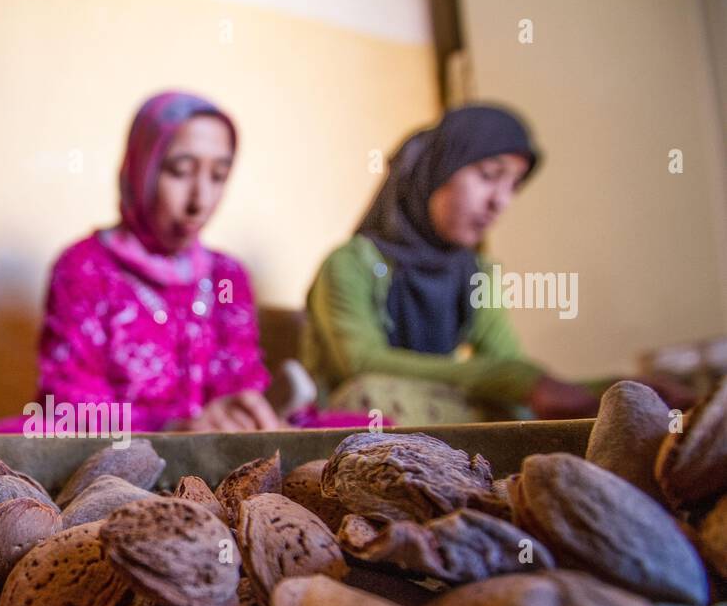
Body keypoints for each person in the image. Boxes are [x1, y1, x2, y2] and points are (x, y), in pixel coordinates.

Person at [302, 104, 693, 424]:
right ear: (435, 171)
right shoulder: (350, 263)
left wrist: (617, 390)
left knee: (514, 406)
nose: (501, 202)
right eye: (490, 176)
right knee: (373, 395)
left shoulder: (479, 273)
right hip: (356, 418)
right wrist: (517, 382)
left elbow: (509, 366)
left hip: (435, 411)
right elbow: (360, 362)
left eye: (513, 186)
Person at [35, 91, 280, 433]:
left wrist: (248, 414)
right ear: (141, 168)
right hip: (120, 470)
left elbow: (239, 381)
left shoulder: (227, 276)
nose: (201, 200)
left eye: (219, 176)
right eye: (180, 171)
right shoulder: (84, 269)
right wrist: (176, 430)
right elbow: (69, 410)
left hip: (217, 470)